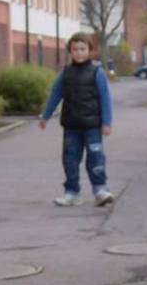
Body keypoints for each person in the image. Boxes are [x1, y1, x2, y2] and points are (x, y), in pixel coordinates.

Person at [37, 33, 114, 206]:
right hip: (71, 126)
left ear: (89, 50)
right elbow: (55, 94)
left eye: (82, 49)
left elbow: (105, 98)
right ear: (70, 52)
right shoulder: (66, 73)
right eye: (75, 49)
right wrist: (45, 115)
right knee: (70, 159)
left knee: (95, 158)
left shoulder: (97, 72)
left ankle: (100, 189)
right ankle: (71, 192)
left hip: (92, 126)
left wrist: (107, 123)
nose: (79, 53)